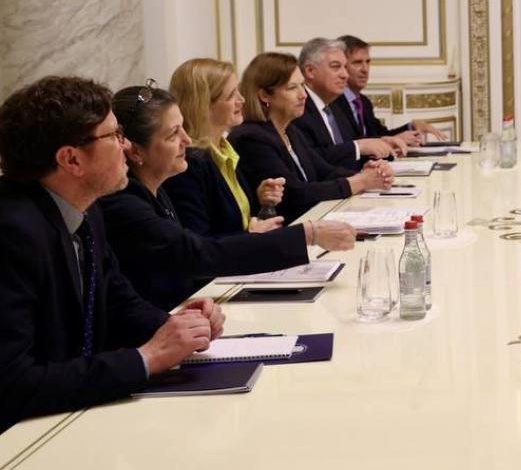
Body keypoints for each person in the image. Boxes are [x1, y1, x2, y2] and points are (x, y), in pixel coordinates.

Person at [0, 76, 225, 432]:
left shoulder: (87, 209)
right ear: (71, 159)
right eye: (115, 135)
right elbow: (11, 384)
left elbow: (117, 300)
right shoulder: (12, 232)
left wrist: (175, 326)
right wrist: (145, 359)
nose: (126, 146)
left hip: (71, 418)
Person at [99, 85, 355, 310]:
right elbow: (197, 253)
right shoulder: (124, 202)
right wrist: (307, 234)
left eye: (183, 130)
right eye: (172, 134)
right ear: (135, 151)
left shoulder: (156, 189)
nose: (186, 140)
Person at [230, 52, 392, 223]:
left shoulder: (290, 131)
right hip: (286, 233)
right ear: (265, 95)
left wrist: (368, 172)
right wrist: (360, 182)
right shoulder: (251, 139)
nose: (303, 95)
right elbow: (295, 194)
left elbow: (326, 172)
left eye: (303, 85)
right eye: (292, 88)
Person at [164, 57, 286, 237]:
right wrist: (251, 235)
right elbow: (199, 243)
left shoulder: (223, 148)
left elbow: (231, 219)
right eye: (231, 95)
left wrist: (259, 198)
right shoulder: (188, 164)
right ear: (203, 105)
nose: (242, 100)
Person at [291, 37, 398, 170]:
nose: (345, 75)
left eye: (345, 67)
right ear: (310, 71)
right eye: (336, 67)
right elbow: (312, 160)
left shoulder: (335, 106)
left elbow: (349, 154)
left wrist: (373, 162)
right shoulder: (298, 108)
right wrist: (359, 147)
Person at [336, 34, 449, 145]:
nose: (365, 69)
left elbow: (381, 135)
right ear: (342, 66)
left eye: (368, 62)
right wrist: (391, 141)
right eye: (357, 63)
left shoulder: (364, 102)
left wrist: (412, 126)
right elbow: (353, 145)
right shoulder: (334, 104)